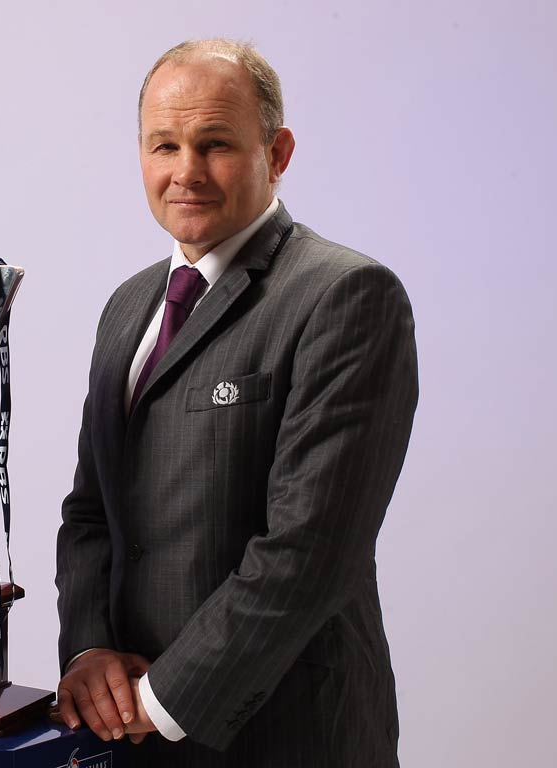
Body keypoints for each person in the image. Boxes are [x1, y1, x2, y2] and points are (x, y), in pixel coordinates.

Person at [54, 38, 418, 767]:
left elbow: (311, 548)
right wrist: (89, 651)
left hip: (286, 735)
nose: (185, 171)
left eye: (215, 143)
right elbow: (91, 513)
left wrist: (164, 701)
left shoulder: (345, 296)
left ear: (277, 152)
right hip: (127, 738)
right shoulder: (128, 308)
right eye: (165, 145)